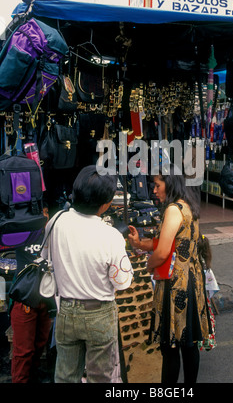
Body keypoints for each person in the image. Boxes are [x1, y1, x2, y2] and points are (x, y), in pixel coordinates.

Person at [42, 166, 133, 383]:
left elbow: (48, 259)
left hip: (66, 310)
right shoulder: (110, 236)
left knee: (65, 376)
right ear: (105, 204)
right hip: (99, 313)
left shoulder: (55, 223)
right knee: (100, 378)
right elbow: (122, 283)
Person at [128, 164, 215, 384]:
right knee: (188, 344)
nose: (154, 190)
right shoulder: (188, 207)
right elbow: (172, 243)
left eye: (157, 185)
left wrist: (148, 266)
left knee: (170, 346)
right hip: (191, 282)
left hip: (176, 284)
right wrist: (140, 243)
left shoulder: (173, 210)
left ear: (170, 183)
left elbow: (162, 252)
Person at [10, 206, 53, 383]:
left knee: (39, 345)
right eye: (38, 213)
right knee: (23, 351)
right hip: (25, 301)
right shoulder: (21, 233)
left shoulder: (53, 236)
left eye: (45, 213)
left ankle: (32, 378)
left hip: (46, 299)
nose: (43, 217)